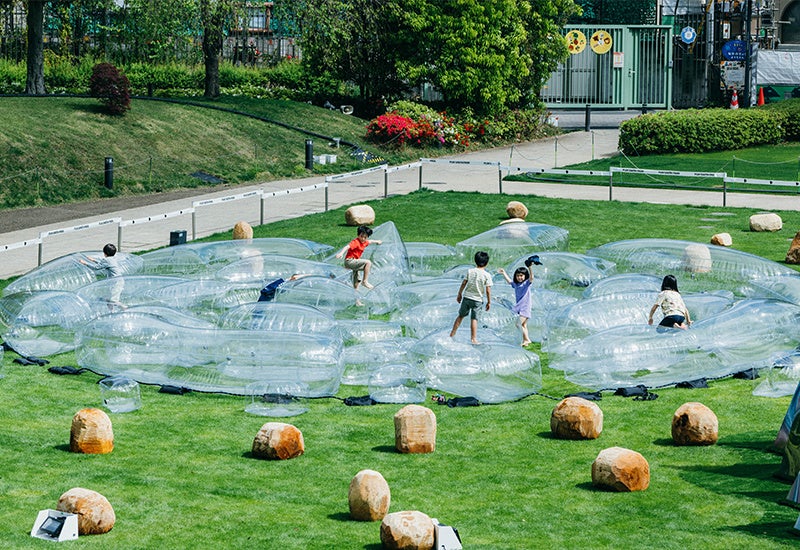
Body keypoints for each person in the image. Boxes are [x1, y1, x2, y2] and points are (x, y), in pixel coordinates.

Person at [498, 255, 542, 347]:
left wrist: (529, 267)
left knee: (518, 324)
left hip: (525, 307)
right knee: (523, 325)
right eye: (518, 276)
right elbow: (509, 281)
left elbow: (531, 278)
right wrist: (504, 273)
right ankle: (527, 340)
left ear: (525, 276)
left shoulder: (526, 284)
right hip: (519, 307)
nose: (519, 277)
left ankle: (526, 339)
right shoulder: (517, 284)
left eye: (521, 276)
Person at [450, 251, 492, 344]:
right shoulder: (487, 275)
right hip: (477, 300)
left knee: (460, 316)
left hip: (467, 297)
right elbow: (488, 290)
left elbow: (464, 283)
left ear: (475, 261)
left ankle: (452, 333)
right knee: (474, 319)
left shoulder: (470, 271)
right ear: (487, 263)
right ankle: (473, 339)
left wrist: (459, 293)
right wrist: (489, 302)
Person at [335, 225, 382, 289]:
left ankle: (356, 293)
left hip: (355, 261)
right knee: (368, 263)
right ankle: (365, 281)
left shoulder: (364, 242)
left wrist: (377, 241)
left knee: (356, 281)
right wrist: (341, 253)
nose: (363, 238)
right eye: (361, 236)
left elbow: (370, 241)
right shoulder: (356, 242)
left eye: (365, 237)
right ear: (358, 235)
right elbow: (347, 246)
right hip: (350, 261)